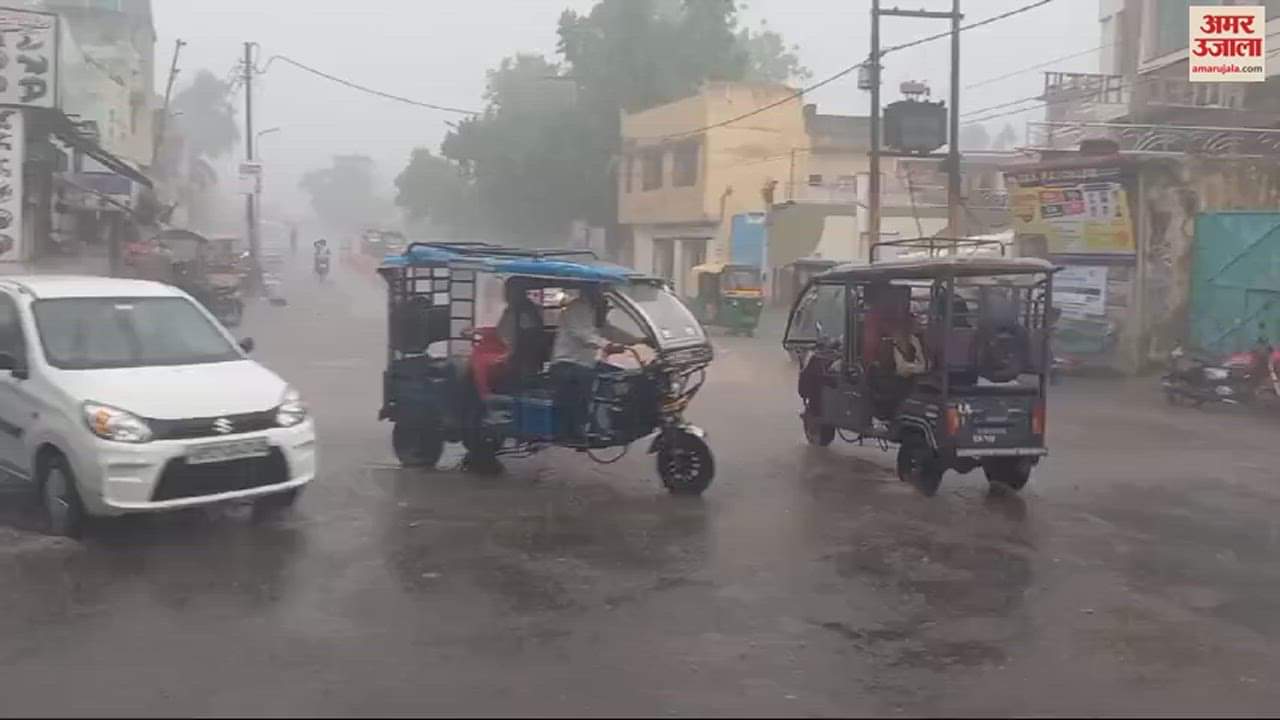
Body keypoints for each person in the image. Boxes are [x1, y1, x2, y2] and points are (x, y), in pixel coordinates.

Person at [549, 287, 639, 441]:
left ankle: (610, 421)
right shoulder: (577, 308)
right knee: (591, 381)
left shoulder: (594, 310)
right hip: (567, 363)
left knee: (620, 376)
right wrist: (606, 345)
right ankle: (587, 427)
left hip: (585, 363)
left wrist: (638, 340)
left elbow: (608, 330)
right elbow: (584, 335)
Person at [494, 282, 545, 390]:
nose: (506, 295)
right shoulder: (512, 309)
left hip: (522, 356)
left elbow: (529, 333)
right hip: (510, 353)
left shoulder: (525, 309)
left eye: (509, 292)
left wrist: (512, 353)